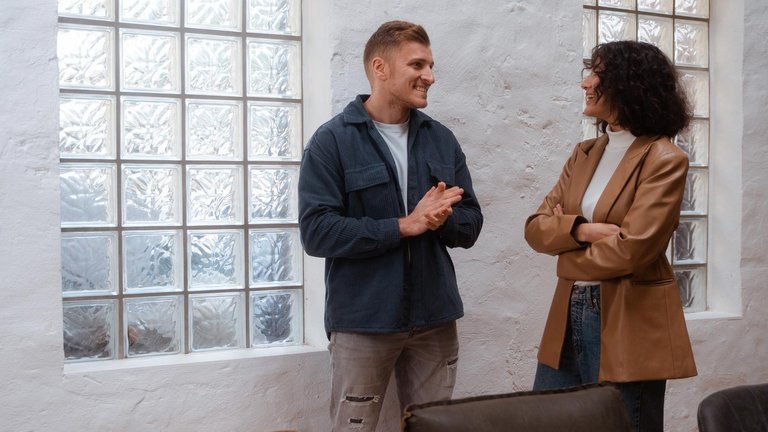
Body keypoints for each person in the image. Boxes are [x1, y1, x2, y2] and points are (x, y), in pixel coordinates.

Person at [298, 20, 483, 431]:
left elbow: (471, 225)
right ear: (380, 68)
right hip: (363, 322)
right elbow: (317, 232)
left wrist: (442, 219)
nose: (429, 76)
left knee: (435, 427)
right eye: (417, 64)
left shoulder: (442, 140)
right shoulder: (332, 142)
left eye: (431, 65)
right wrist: (403, 226)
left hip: (436, 319)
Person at [524, 40, 697, 432]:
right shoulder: (584, 153)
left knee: (624, 425)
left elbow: (632, 250)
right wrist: (583, 229)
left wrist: (565, 252)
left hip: (629, 318)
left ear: (628, 84)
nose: (586, 82)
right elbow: (535, 228)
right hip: (568, 312)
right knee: (548, 422)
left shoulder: (665, 159)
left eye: (596, 73)